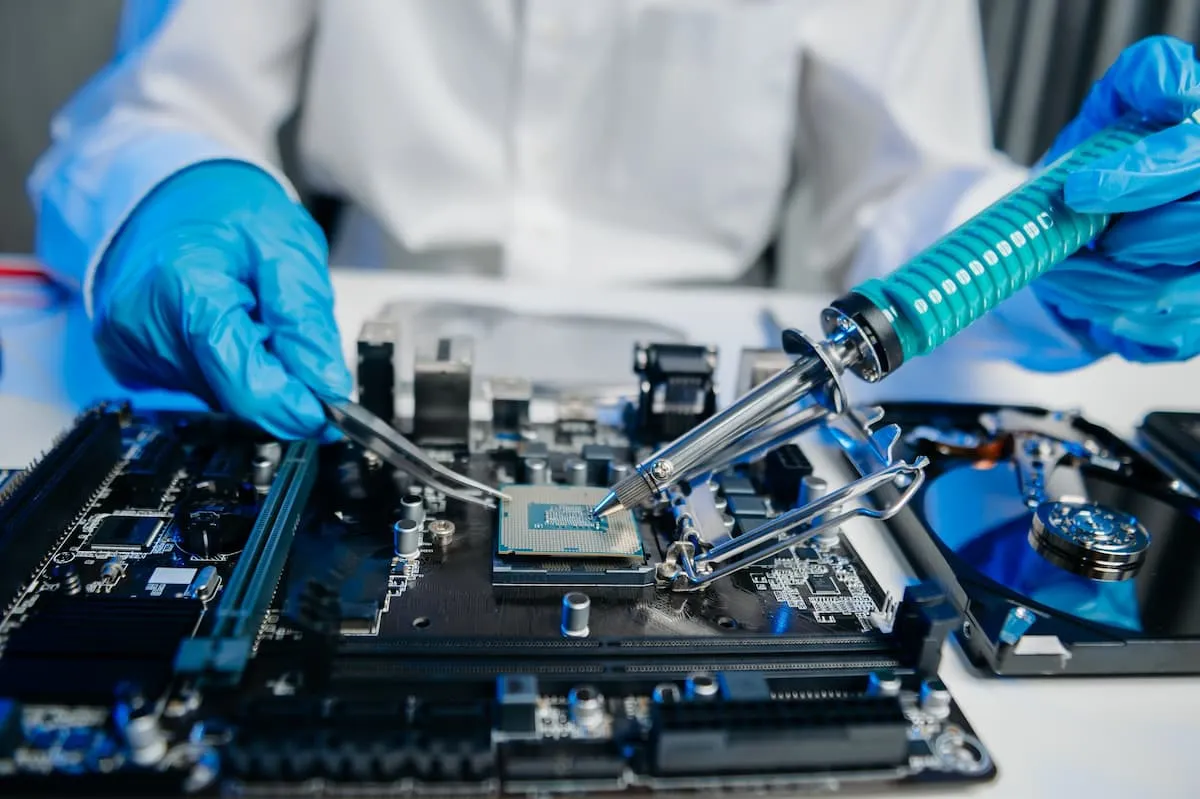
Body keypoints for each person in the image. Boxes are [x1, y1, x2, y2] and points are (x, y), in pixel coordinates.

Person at [27, 1, 1200, 441]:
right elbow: (163, 105)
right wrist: (164, 189)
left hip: (721, 366)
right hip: (341, 336)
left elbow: (910, 190)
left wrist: (1054, 247)